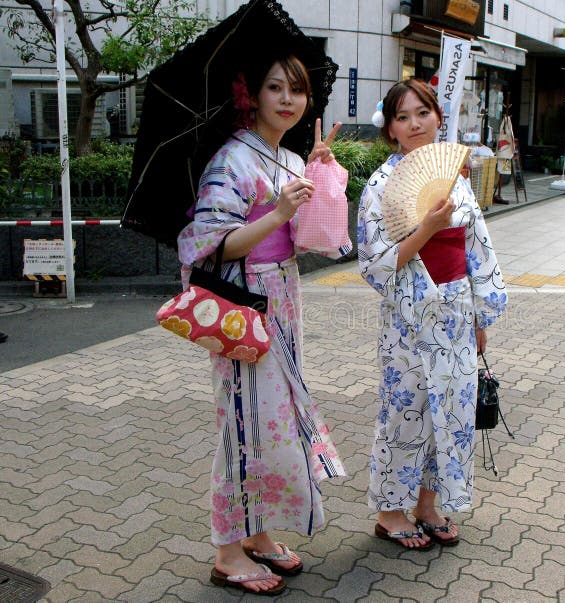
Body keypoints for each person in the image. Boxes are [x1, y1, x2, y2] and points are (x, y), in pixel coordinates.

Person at [176, 55, 345, 596]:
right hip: (244, 305)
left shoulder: (290, 158)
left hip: (283, 299)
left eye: (297, 90)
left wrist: (317, 173)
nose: (288, 99)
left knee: (271, 423)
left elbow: (316, 239)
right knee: (241, 425)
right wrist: (275, 213)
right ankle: (227, 549)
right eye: (276, 87)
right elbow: (208, 245)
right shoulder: (232, 160)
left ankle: (258, 532)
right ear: (252, 95)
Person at [358, 79, 508, 550]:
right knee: (405, 410)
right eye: (402, 117)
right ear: (391, 131)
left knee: (451, 410)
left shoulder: (456, 178)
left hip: (457, 310)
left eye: (422, 113)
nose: (415, 124)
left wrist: (481, 317)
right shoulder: (381, 186)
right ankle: (389, 512)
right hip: (410, 315)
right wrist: (427, 227)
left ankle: (427, 504)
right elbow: (377, 262)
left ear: (438, 118)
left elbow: (477, 248)